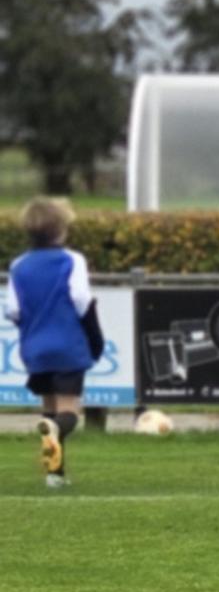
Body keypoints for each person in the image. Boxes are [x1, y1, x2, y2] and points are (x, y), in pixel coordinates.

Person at [5, 197, 104, 490]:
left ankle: (55, 475)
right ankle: (56, 434)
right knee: (68, 413)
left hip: (34, 348)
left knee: (49, 409)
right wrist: (95, 340)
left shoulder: (19, 265)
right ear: (61, 229)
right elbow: (81, 300)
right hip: (68, 346)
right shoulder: (72, 260)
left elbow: (13, 310)